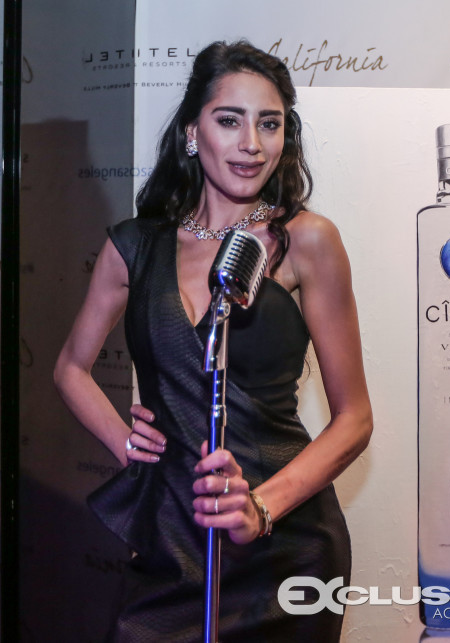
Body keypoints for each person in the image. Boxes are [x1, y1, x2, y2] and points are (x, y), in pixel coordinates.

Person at [54, 40, 372, 642]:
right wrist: (127, 443)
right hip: (172, 536)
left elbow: (354, 418)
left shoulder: (306, 241)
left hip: (285, 548)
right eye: (230, 120)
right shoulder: (135, 246)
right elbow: (71, 367)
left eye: (269, 123)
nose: (252, 143)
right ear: (191, 132)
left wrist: (262, 507)